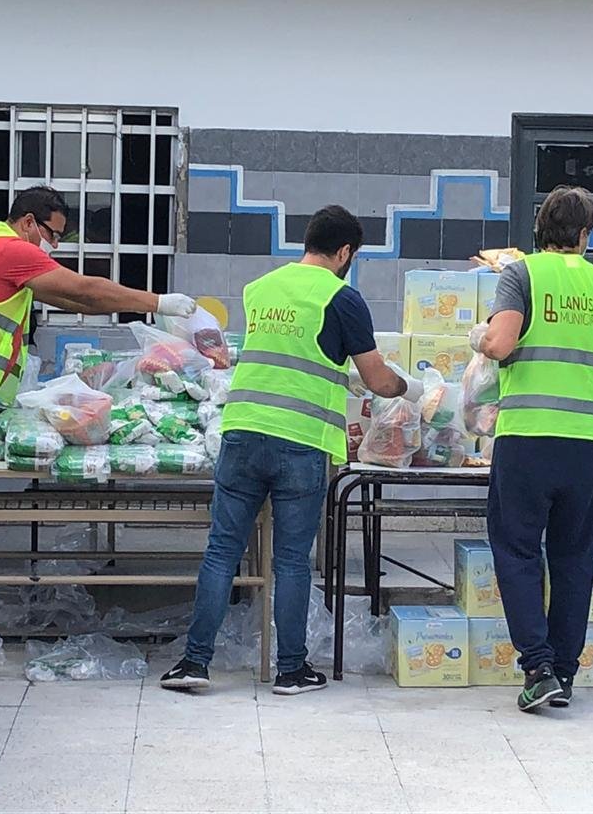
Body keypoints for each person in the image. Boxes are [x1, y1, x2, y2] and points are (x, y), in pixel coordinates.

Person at [160, 205, 419, 695]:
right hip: (299, 443)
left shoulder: (261, 289)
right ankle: (291, 670)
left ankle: (194, 663)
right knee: (292, 560)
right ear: (345, 252)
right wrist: (413, 390)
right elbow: (377, 378)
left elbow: (294, 354)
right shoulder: (343, 298)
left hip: (241, 432)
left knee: (221, 552)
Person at [0, 185, 196, 615]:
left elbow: (70, 298)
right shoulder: (7, 249)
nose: (54, 246)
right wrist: (158, 301)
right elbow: (86, 289)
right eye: (53, 235)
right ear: (28, 222)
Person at [472, 186, 593, 712]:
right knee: (574, 554)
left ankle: (538, 667)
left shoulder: (521, 274)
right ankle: (564, 668)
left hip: (528, 436)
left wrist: (479, 338)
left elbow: (501, 343)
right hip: (585, 442)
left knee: (516, 549)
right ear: (586, 234)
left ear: (540, 227)